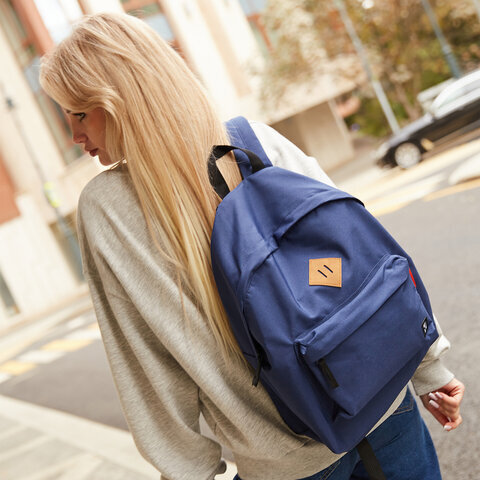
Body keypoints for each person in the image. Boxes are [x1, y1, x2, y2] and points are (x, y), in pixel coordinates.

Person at [39, 12, 464, 480]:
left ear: (123, 100)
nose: (75, 137)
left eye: (80, 113)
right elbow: (359, 261)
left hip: (287, 463)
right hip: (382, 400)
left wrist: (189, 471)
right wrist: (427, 369)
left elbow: (148, 365)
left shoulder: (107, 210)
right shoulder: (252, 141)